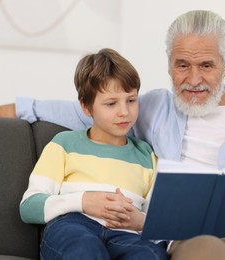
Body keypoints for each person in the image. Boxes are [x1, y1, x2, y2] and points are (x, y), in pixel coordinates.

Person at [0, 10, 225, 259]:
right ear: (168, 64)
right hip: (201, 240)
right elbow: (73, 109)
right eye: (182, 65)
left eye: (206, 66)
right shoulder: (147, 108)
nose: (193, 79)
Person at [19, 48, 168, 259]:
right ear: (86, 107)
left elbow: (160, 220)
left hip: (126, 235)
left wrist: (139, 221)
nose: (124, 111)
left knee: (151, 255)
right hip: (73, 226)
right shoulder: (64, 144)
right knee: (85, 250)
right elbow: (29, 207)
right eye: (111, 103)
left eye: (131, 100)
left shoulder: (148, 156)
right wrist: (84, 201)